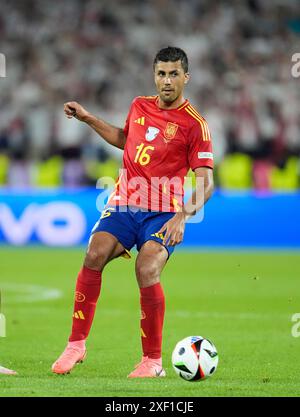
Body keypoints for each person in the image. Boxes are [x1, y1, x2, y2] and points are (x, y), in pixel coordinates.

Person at [51, 46, 214, 378]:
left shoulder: (195, 124)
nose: (166, 81)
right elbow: (126, 139)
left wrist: (182, 215)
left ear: (186, 77)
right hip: (126, 203)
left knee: (146, 267)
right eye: (160, 73)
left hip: (164, 212)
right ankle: (76, 344)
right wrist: (88, 118)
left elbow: (207, 182)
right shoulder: (139, 105)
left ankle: (152, 361)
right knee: (94, 253)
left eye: (173, 74)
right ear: (154, 75)